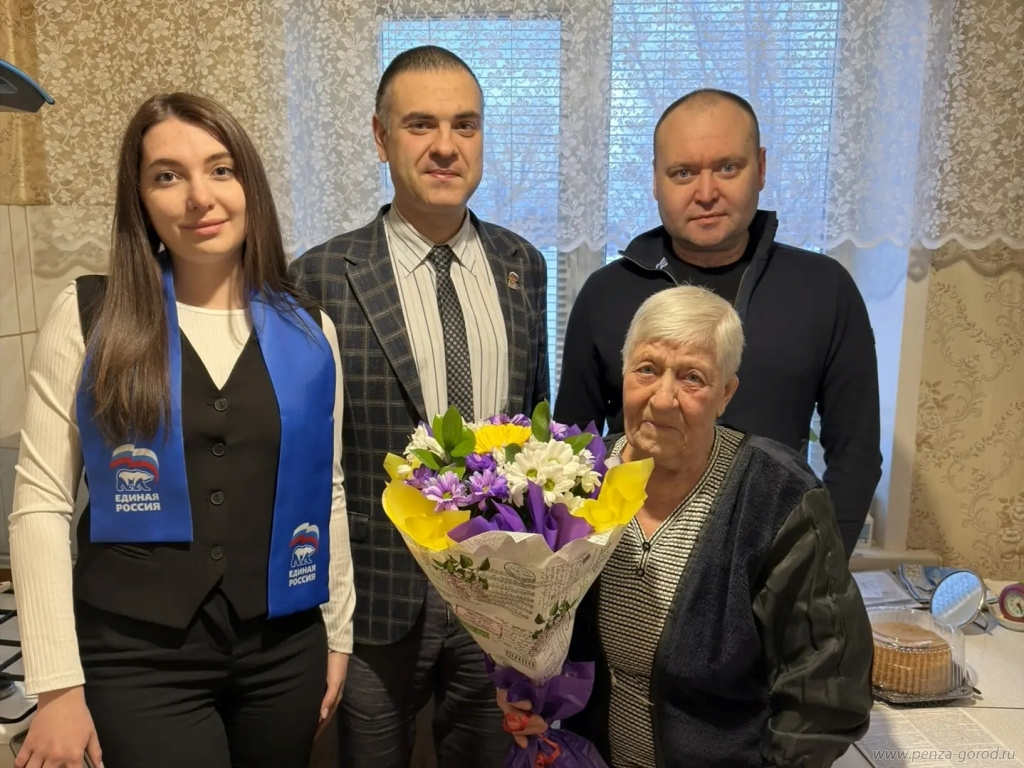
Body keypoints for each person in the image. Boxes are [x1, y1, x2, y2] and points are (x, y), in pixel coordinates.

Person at [9, 92, 355, 768]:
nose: (200, 196)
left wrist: (338, 634)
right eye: (167, 176)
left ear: (250, 185)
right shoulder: (87, 316)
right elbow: (40, 505)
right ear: (140, 199)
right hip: (137, 657)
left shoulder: (313, 331)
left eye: (221, 169)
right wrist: (56, 688)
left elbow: (329, 491)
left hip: (283, 649)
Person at [289, 46, 549, 768]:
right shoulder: (319, 276)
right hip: (378, 600)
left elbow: (536, 427)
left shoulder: (524, 266)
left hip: (498, 595)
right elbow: (306, 460)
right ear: (381, 138)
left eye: (465, 125)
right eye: (420, 125)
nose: (445, 146)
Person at [501, 285, 874, 768]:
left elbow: (825, 691)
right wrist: (526, 690)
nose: (662, 399)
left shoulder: (778, 497)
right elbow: (541, 630)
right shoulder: (572, 478)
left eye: (692, 378)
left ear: (726, 394)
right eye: (647, 369)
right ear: (623, 373)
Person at [554, 88, 881, 557]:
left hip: (772, 562)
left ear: (760, 168)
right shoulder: (605, 293)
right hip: (630, 562)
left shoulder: (824, 289)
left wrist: (819, 566)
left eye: (727, 168)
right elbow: (573, 450)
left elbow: (856, 454)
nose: (706, 193)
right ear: (656, 180)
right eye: (683, 173)